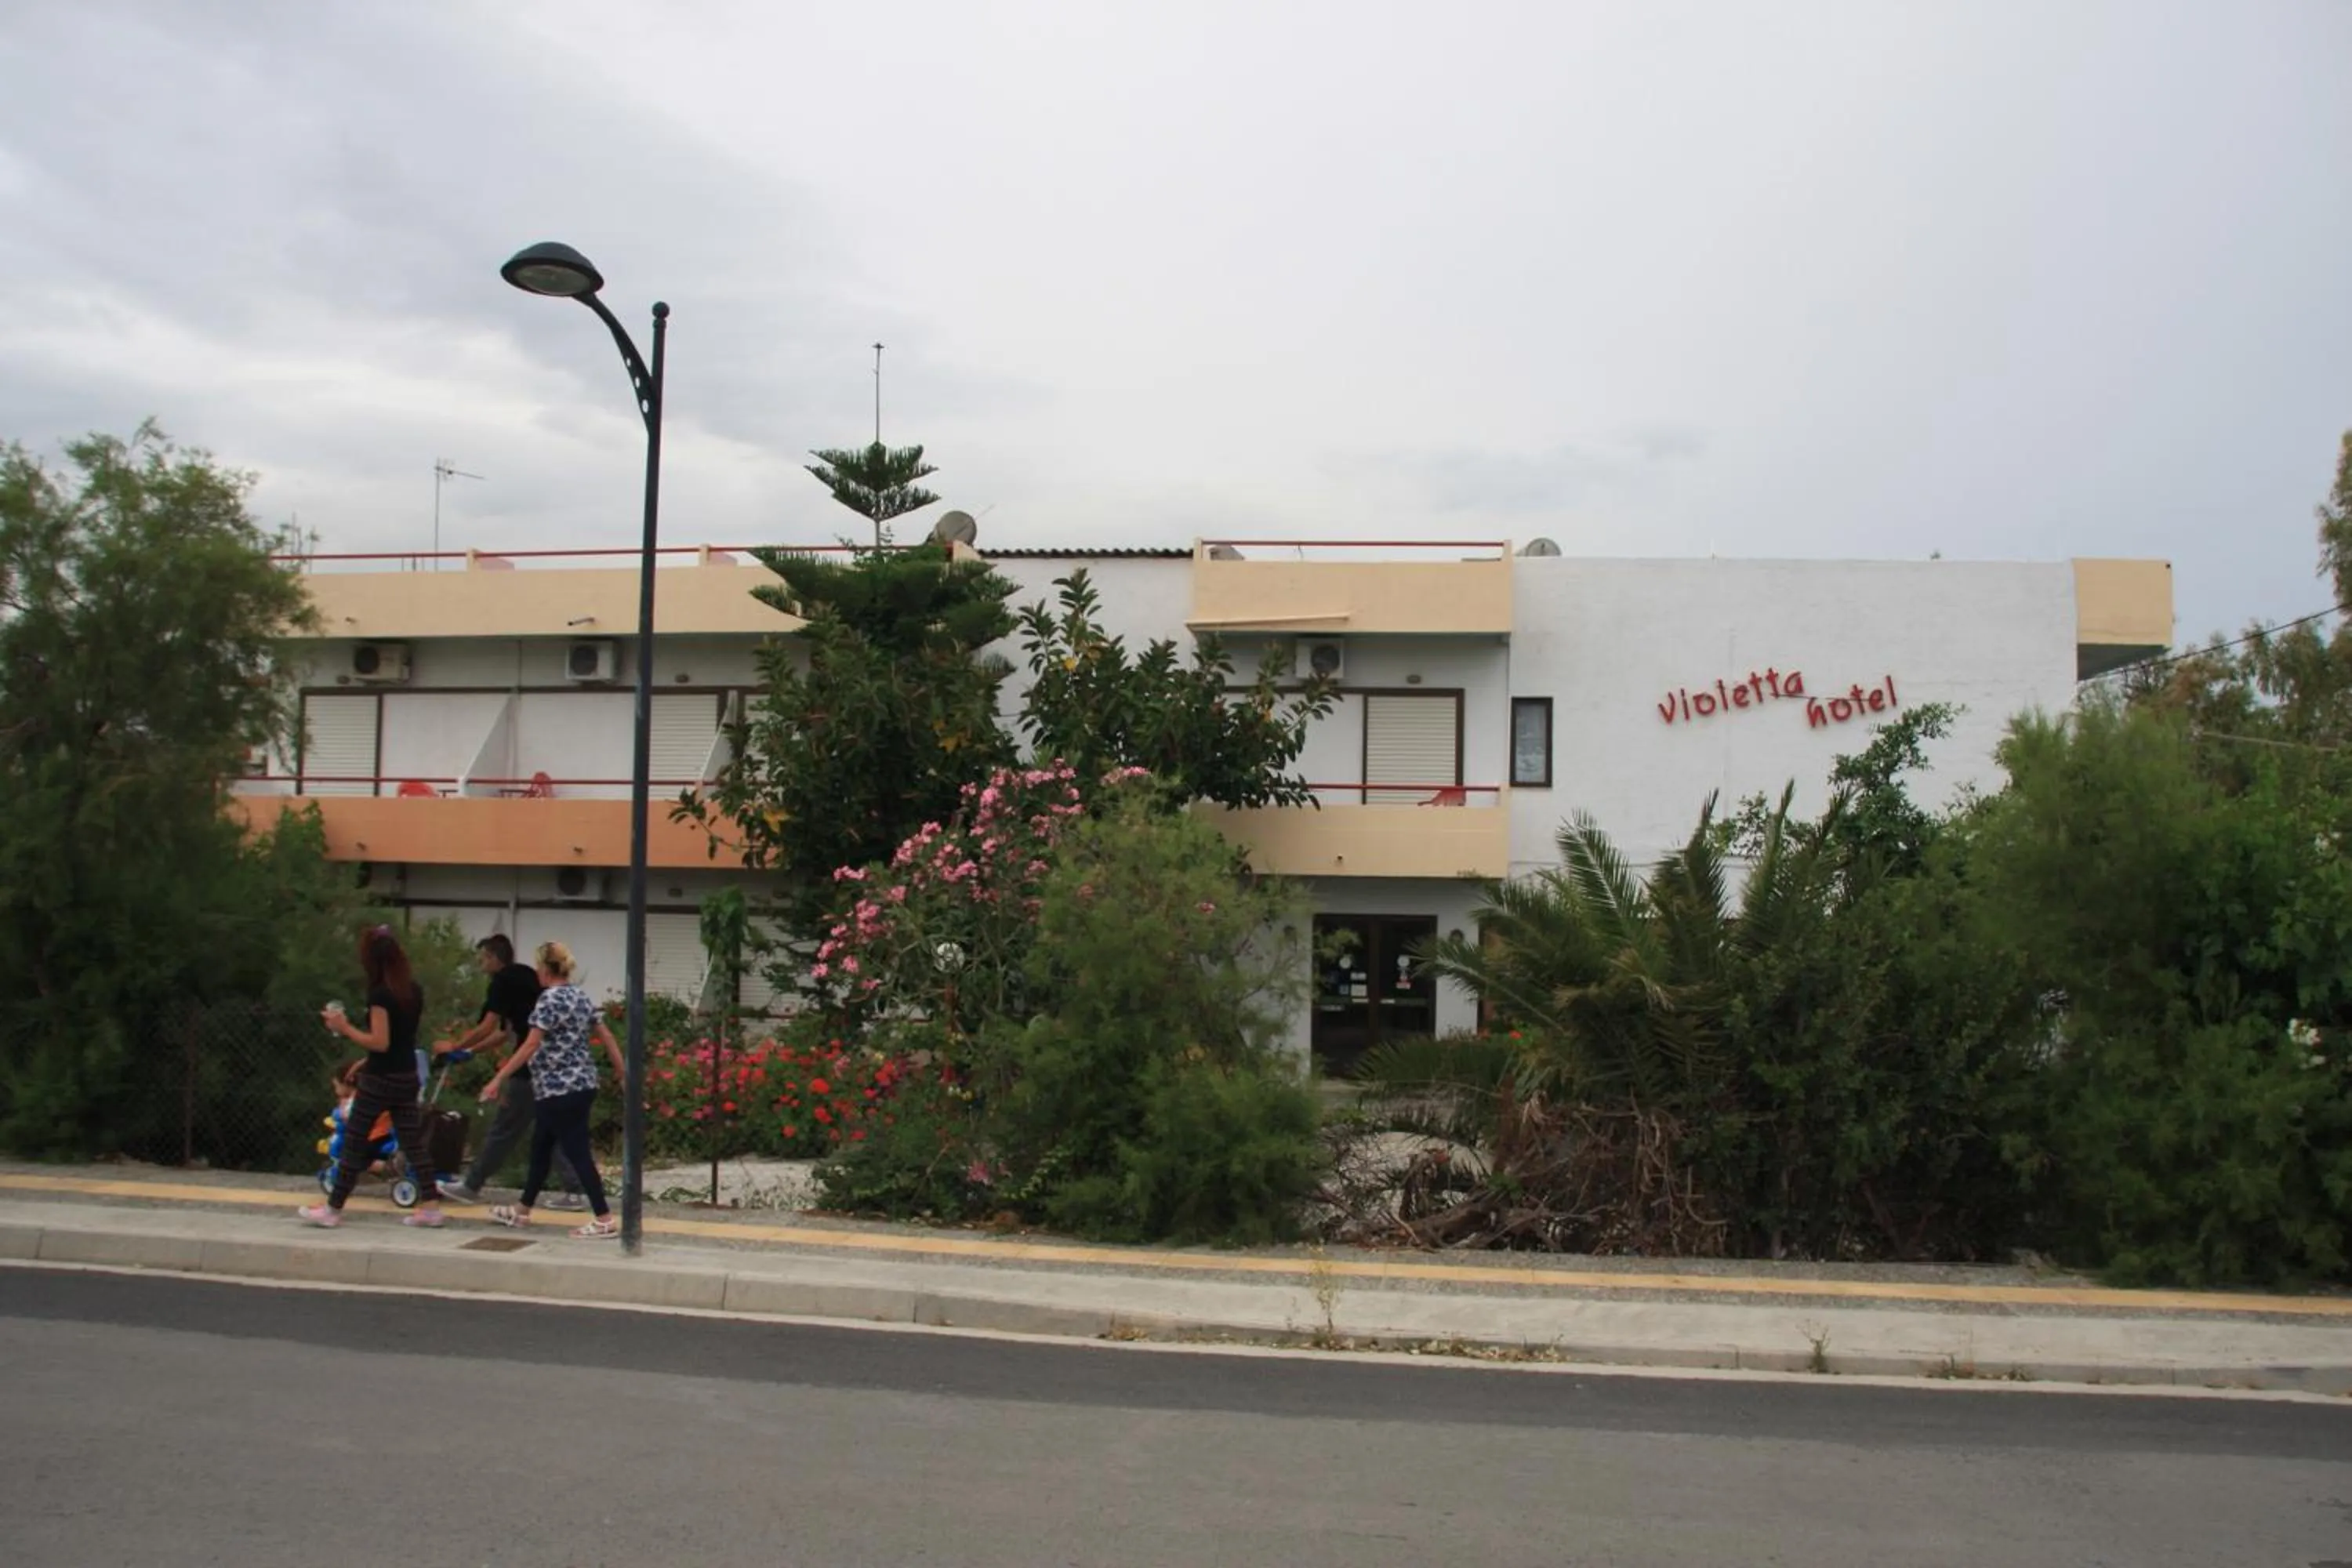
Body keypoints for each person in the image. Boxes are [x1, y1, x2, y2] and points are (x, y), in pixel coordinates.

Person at [301, 925, 445, 1229]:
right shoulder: (412, 990)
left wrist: (345, 1028)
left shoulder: (380, 994)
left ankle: (333, 1209)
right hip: (406, 1075)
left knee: (354, 1140)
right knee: (413, 1142)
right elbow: (402, 1039)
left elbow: (381, 1042)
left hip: (381, 1080)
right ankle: (431, 1207)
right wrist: (367, 1060)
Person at [481, 941, 626, 1240]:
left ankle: (604, 1217)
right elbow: (607, 1036)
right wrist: (622, 1073)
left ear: (545, 969)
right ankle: (522, 1211)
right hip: (581, 1084)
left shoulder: (548, 1001)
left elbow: (531, 1043)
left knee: (576, 1152)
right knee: (541, 1147)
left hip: (557, 1088)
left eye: (538, 967)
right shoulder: (580, 997)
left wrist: (499, 1077)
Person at [431, 934, 586, 1210]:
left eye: (482, 959)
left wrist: (453, 1046)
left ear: (493, 958)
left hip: (531, 1063)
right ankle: (575, 1190)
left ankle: (472, 1185)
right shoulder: (526, 975)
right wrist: (468, 1052)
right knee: (552, 1126)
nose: (481, 966)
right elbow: (504, 1034)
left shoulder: (502, 981)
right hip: (553, 1062)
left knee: (506, 1127)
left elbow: (488, 1027)